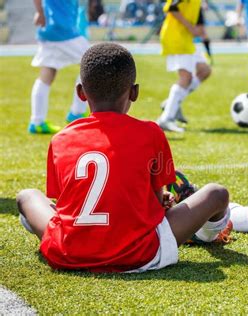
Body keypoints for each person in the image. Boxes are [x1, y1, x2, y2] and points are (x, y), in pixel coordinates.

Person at [17, 43, 231, 273]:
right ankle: (208, 235)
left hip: (67, 253)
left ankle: (61, 238)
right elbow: (157, 204)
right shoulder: (151, 132)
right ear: (134, 92)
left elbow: (65, 204)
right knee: (216, 194)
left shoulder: (60, 139)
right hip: (139, 254)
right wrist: (161, 199)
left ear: (81, 93)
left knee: (26, 196)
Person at [29, 0, 90, 134]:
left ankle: (37, 122)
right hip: (62, 30)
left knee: (47, 73)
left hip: (50, 29)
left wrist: (40, 12)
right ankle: (77, 113)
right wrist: (40, 12)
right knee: (92, 64)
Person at [157, 0, 212, 133]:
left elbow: (198, 25)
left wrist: (200, 31)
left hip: (186, 40)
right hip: (176, 37)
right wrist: (190, 27)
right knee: (185, 77)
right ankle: (166, 119)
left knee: (205, 71)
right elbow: (171, 7)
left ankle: (171, 103)